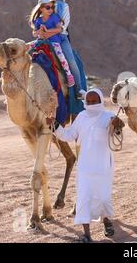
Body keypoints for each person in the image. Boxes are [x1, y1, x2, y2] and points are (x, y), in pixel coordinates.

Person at [49, 88, 124, 243]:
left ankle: (106, 220)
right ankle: (87, 234)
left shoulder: (109, 116)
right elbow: (69, 135)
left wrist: (118, 126)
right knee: (84, 198)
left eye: (94, 101)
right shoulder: (82, 117)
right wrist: (55, 125)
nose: (90, 104)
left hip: (104, 166)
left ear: (100, 101)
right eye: (88, 102)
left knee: (103, 198)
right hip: (85, 167)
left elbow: (117, 133)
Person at [41, 0, 85, 98]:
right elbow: (38, 19)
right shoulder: (42, 2)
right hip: (43, 36)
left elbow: (63, 27)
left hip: (61, 37)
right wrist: (40, 32)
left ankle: (79, 90)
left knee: (71, 61)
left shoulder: (64, 6)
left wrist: (48, 33)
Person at [30, 0, 75, 87]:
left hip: (54, 41)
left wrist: (47, 30)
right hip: (41, 41)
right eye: (48, 7)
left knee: (61, 57)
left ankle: (69, 74)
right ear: (41, 8)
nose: (51, 9)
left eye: (52, 7)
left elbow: (59, 29)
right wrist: (40, 31)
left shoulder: (54, 17)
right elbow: (34, 33)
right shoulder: (38, 20)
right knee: (28, 50)